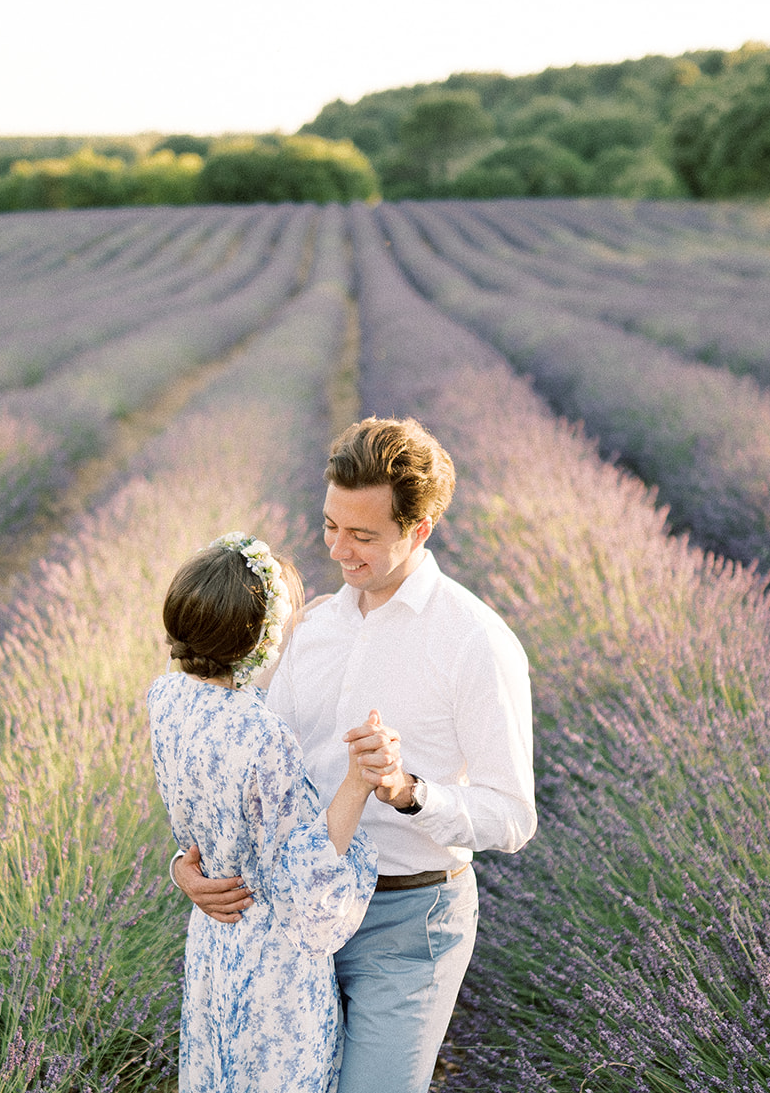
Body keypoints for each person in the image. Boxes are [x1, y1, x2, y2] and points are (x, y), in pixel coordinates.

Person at [174, 418, 536, 1093]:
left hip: (409, 922)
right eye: (330, 525)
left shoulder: (475, 642)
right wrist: (185, 867)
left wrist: (408, 788)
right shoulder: (310, 628)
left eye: (363, 535)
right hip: (290, 918)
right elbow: (253, 779)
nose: (339, 550)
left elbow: (513, 816)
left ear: (419, 529)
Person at [148, 531, 403, 1093]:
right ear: (261, 642)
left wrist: (179, 868)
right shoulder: (263, 737)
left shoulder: (166, 700)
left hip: (215, 934)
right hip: (272, 960)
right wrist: (358, 784)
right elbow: (303, 877)